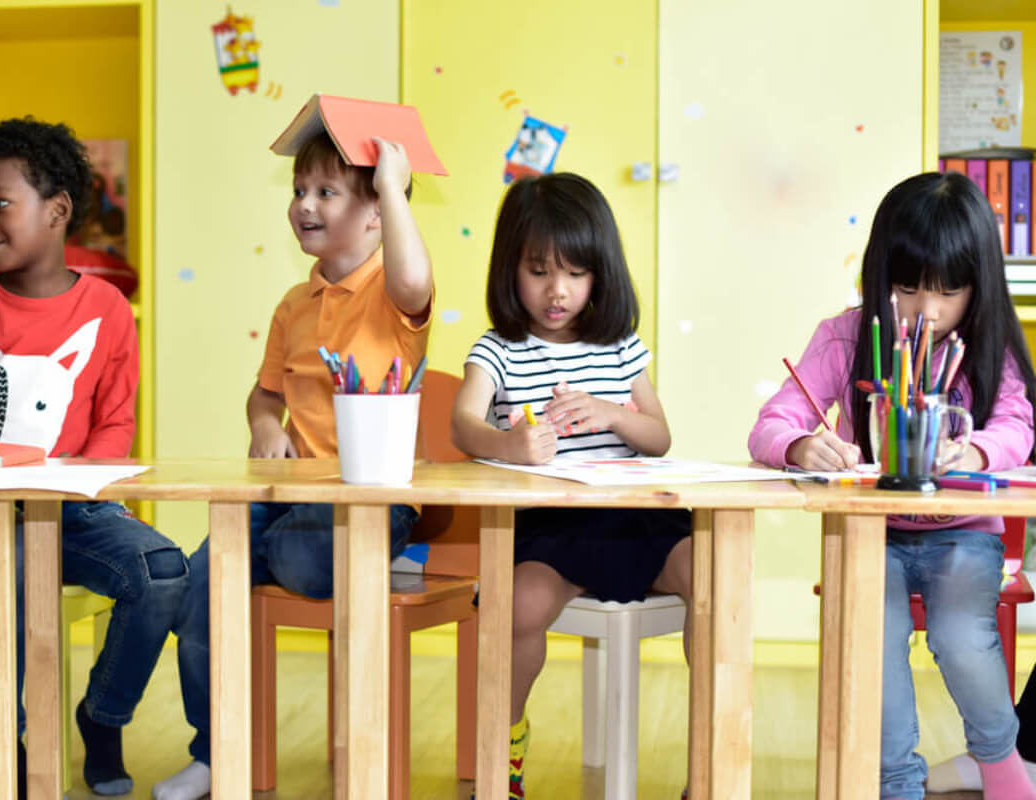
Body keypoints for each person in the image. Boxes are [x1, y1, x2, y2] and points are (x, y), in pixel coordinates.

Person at [0, 117, 187, 797]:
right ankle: (0, 734)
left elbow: (115, 424)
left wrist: (80, 492)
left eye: (0, 204)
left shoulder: (108, 309)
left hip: (77, 510)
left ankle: (102, 716)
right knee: (8, 565)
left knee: (164, 572)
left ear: (57, 210)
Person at [152, 131, 434, 800]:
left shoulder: (393, 294)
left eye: (326, 192)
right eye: (299, 190)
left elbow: (415, 278)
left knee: (302, 562)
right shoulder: (292, 304)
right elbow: (265, 393)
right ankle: (215, 753)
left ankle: (284, 551)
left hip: (369, 503)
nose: (305, 204)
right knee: (198, 588)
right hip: (287, 496)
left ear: (376, 213)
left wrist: (392, 185)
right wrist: (262, 423)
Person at [748, 171, 1036, 800]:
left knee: (962, 637)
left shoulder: (990, 344)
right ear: (880, 276)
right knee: (873, 642)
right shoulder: (845, 336)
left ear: (979, 284)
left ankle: (1001, 763)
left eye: (949, 291)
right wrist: (799, 445)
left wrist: (975, 451)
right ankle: (895, 783)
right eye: (906, 289)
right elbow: (771, 423)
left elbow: (1018, 426)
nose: (926, 311)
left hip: (964, 534)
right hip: (868, 534)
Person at [449, 172, 692, 799]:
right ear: (510, 269)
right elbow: (462, 423)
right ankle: (504, 746)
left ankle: (711, 758)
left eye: (576, 273)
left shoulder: (620, 346)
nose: (558, 291)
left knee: (713, 575)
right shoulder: (498, 350)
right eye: (538, 271)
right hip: (549, 532)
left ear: (600, 273)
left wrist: (614, 415)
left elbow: (660, 436)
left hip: (635, 522)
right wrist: (507, 444)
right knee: (518, 606)